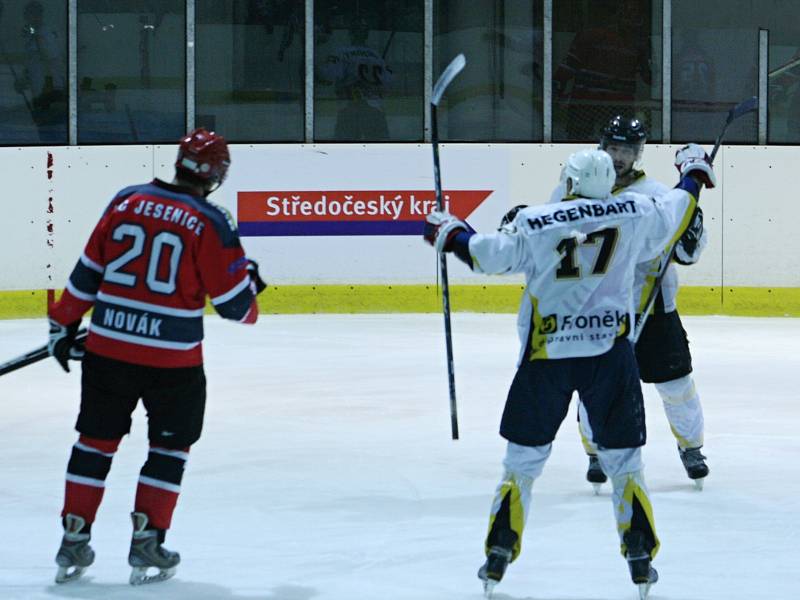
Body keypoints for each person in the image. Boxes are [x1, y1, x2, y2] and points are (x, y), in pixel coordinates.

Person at [423, 145, 716, 598]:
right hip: (609, 357)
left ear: (572, 182)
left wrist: (450, 233)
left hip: (546, 359)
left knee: (521, 464)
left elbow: (486, 255)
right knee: (625, 464)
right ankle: (639, 553)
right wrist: (693, 171)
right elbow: (679, 206)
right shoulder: (636, 211)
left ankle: (500, 550)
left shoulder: (536, 221)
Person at [47, 128, 267, 585]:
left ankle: (74, 535)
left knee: (95, 441)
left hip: (108, 350)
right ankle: (148, 539)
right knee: (169, 447)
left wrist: (62, 324)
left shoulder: (126, 200)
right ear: (218, 173)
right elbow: (236, 308)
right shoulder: (211, 220)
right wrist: (249, 285)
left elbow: (89, 270)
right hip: (174, 363)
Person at [548, 116, 710, 492]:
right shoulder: (573, 187)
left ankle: (692, 448)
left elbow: (687, 251)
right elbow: (554, 238)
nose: (619, 157)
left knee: (676, 384)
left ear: (638, 154)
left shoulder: (656, 193)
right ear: (602, 147)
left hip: (654, 311)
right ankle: (594, 452)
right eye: (613, 148)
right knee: (595, 388)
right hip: (596, 312)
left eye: (627, 150)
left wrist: (689, 237)